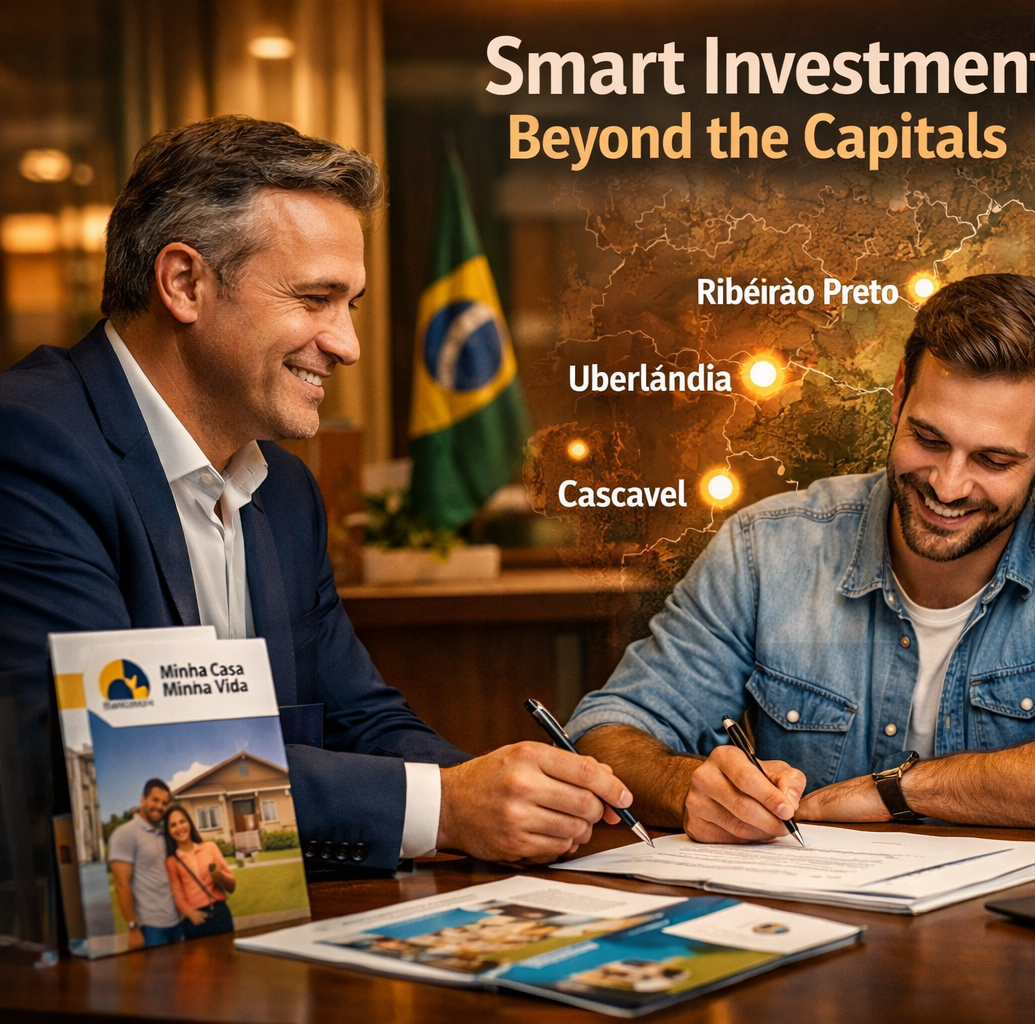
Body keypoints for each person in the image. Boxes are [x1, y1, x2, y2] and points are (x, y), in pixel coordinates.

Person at [0, 115, 632, 869]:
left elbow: (356, 719)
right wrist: (447, 808)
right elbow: (105, 772)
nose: (348, 344)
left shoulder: (287, 491)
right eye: (315, 298)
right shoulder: (28, 445)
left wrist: (510, 792)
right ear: (184, 283)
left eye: (351, 304)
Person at [570, 274, 1035, 841]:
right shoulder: (766, 549)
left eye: (994, 460)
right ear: (898, 396)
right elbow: (609, 731)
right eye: (929, 438)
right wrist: (690, 790)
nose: (949, 486)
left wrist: (895, 791)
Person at [107, 780, 182, 949]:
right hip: (151, 928)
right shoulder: (125, 834)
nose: (160, 806)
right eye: (155, 800)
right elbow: (121, 885)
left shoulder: (162, 835)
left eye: (164, 803)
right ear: (143, 799)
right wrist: (133, 927)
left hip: (176, 923)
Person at [163, 803, 237, 939]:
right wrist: (190, 913)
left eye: (182, 821)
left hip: (220, 914)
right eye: (173, 825)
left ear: (189, 823)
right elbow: (177, 893)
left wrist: (219, 876)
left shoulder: (210, 847)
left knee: (228, 959)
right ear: (168, 831)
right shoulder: (172, 861)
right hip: (196, 921)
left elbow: (232, 886)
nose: (179, 827)